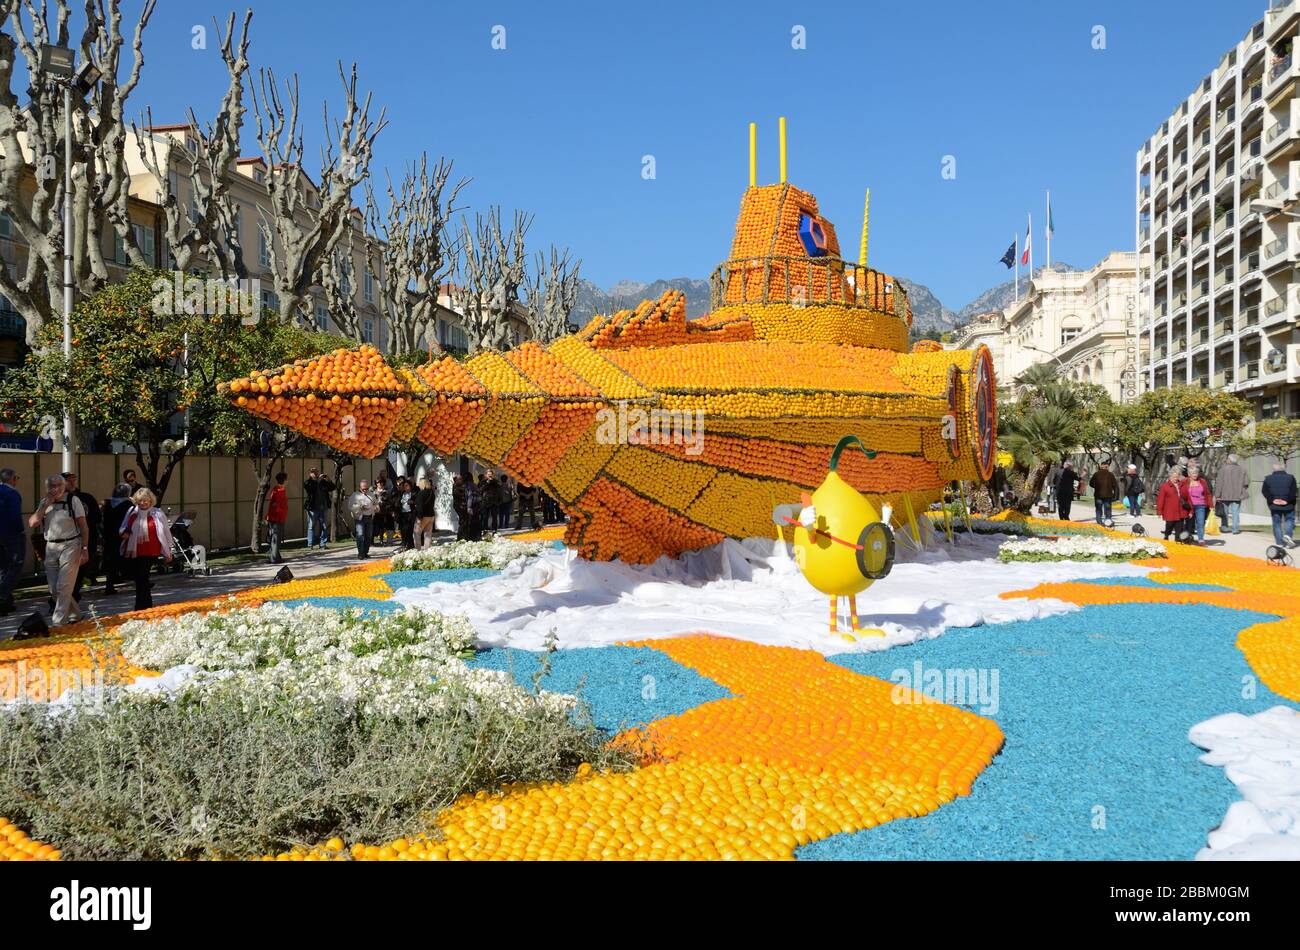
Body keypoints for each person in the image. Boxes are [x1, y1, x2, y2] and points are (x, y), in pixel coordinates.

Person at [28, 474, 88, 627]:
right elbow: (33, 523)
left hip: (71, 544)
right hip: (51, 547)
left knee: (64, 586)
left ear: (64, 486)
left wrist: (85, 548)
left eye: (58, 486)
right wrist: (45, 505)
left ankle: (58, 623)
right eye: (51, 486)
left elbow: (83, 526)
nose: (55, 489)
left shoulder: (72, 500)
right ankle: (76, 614)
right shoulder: (44, 502)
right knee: (54, 589)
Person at [119, 487, 173, 611]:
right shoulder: (132, 511)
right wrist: (124, 532)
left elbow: (165, 532)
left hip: (151, 550)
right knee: (139, 578)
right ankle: (143, 605)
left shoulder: (157, 513)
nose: (143, 503)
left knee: (142, 576)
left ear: (151, 500)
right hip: (134, 550)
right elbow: (123, 527)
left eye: (145, 500)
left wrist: (168, 550)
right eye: (140, 500)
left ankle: (143, 606)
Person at [62, 472, 100, 603]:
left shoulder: (86, 498)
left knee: (81, 570)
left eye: (74, 480)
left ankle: (73, 598)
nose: (72, 482)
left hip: (85, 539)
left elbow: (96, 518)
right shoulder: (57, 500)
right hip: (66, 541)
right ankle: (61, 600)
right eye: (68, 480)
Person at [100, 483, 133, 596]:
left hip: (109, 535)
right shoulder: (128, 504)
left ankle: (110, 584)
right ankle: (139, 581)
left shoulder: (107, 503)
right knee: (126, 557)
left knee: (111, 559)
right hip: (123, 534)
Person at [0, 469, 24, 615]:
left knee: (3, 567)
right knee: (16, 565)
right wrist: (20, 531)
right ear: (13, 479)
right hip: (11, 535)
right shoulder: (12, 493)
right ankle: (2, 595)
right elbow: (15, 516)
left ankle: (7, 602)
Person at [1262, 460, 1298, 547]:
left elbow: (1264, 491)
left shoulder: (1268, 478)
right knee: (1289, 520)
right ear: (1284, 468)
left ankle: (1279, 543)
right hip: (1289, 505)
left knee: (1276, 523)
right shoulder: (1291, 477)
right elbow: (1294, 491)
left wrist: (1272, 500)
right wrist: (1287, 500)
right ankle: (1288, 535)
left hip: (1274, 505)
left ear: (1273, 469)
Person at [1215, 453, 1249, 536]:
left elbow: (1219, 483)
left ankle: (1224, 527)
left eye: (1227, 459)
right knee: (1235, 512)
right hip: (1237, 495)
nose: (1226, 460)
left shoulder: (1223, 469)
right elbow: (1246, 482)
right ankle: (1235, 529)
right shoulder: (1242, 469)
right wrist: (1242, 490)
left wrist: (1217, 495)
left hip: (1224, 494)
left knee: (1224, 512)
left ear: (1230, 460)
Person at [303, 468, 335, 550]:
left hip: (323, 508)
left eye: (317, 472)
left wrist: (328, 480)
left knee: (324, 526)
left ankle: (322, 544)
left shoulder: (323, 482)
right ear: (310, 474)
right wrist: (316, 481)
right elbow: (309, 489)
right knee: (311, 526)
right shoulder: (308, 482)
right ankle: (310, 544)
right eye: (313, 473)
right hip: (312, 508)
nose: (316, 474)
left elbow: (333, 487)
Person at [1156, 469, 1191, 541]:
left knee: (1179, 526)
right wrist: (1159, 511)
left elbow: (1188, 497)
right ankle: (1166, 535)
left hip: (1180, 510)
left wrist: (1190, 509)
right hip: (1170, 510)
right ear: (1170, 477)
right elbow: (1160, 500)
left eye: (1177, 477)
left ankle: (1177, 540)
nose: (1175, 479)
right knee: (1169, 524)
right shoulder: (1165, 486)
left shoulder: (1181, 485)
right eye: (1174, 477)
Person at [1184, 464, 1215, 544]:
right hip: (1189, 506)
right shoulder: (1185, 481)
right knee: (1189, 523)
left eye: (1196, 473)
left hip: (1201, 505)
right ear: (1189, 474)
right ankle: (1188, 538)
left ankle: (1201, 539)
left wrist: (1211, 505)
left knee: (1200, 523)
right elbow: (1180, 493)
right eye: (1193, 473)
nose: (1195, 475)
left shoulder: (1202, 481)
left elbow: (1208, 494)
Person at [347, 480, 376, 558]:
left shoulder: (371, 494)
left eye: (366, 488)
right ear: (360, 488)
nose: (365, 490)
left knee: (368, 536)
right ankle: (360, 553)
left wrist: (374, 507)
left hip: (369, 517)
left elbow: (376, 504)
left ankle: (365, 552)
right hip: (360, 517)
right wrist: (360, 507)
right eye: (363, 489)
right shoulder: (355, 495)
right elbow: (350, 506)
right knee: (360, 535)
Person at [266, 472, 288, 564]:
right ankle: (274, 558)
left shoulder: (277, 490)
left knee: (275, 538)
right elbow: (276, 505)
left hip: (275, 517)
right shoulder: (279, 491)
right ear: (284, 480)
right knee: (276, 538)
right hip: (277, 518)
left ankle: (276, 556)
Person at [1089, 461, 1120, 527]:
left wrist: (1096, 487)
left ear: (1101, 466)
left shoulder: (1096, 474)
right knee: (1108, 509)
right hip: (1108, 495)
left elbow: (1091, 483)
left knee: (1098, 509)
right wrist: (1115, 496)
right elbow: (1115, 486)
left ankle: (1099, 522)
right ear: (1107, 467)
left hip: (1098, 495)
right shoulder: (1110, 474)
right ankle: (1108, 522)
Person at [415, 476, 437, 548]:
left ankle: (417, 550)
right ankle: (427, 550)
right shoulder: (432, 493)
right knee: (428, 534)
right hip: (431, 515)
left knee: (417, 533)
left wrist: (419, 518)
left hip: (423, 516)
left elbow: (420, 506)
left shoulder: (421, 493)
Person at [397, 478, 416, 550]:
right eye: (404, 486)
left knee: (409, 530)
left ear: (410, 486)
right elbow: (398, 502)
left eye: (407, 485)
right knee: (404, 530)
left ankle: (410, 545)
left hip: (410, 513)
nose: (405, 487)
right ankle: (405, 543)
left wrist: (412, 502)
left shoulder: (413, 493)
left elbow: (415, 501)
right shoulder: (402, 493)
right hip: (403, 514)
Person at [372, 474, 392, 544]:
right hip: (374, 512)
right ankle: (372, 541)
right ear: (376, 483)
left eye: (381, 482)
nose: (379, 484)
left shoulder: (386, 492)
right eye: (378, 482)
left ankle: (381, 540)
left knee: (381, 526)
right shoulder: (373, 491)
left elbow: (389, 502)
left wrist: (384, 504)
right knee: (374, 526)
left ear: (383, 483)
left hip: (382, 512)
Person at [452, 475, 469, 541]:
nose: (461, 480)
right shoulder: (456, 486)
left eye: (461, 479)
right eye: (460, 479)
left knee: (464, 521)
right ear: (456, 480)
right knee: (463, 522)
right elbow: (458, 494)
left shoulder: (460, 486)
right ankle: (460, 537)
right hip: (459, 506)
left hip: (461, 506)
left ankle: (463, 536)